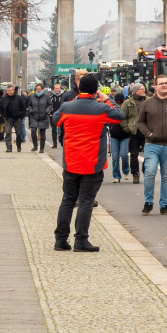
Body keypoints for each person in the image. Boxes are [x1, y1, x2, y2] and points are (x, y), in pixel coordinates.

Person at [52, 74, 124, 252]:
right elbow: (120, 116)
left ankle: (60, 240)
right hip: (92, 163)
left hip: (71, 162)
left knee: (68, 200)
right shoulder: (101, 108)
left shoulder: (67, 106)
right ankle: (81, 240)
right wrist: (107, 98)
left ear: (79, 88)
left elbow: (55, 120)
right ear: (95, 90)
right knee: (86, 201)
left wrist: (75, 100)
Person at [137, 76, 167, 215]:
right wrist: (148, 134)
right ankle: (148, 202)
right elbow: (140, 122)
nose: (164, 85)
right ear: (155, 86)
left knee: (166, 176)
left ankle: (164, 205)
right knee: (150, 172)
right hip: (152, 144)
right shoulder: (148, 103)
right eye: (161, 84)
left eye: (166, 83)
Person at [122, 83, 147, 184]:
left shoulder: (148, 101)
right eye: (141, 89)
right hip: (134, 131)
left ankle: (145, 169)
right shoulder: (128, 103)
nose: (143, 91)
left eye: (144, 89)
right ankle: (135, 174)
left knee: (149, 153)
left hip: (146, 131)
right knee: (134, 154)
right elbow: (122, 117)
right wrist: (127, 128)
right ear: (136, 91)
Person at [27, 83, 52, 153]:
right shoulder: (32, 96)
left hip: (43, 116)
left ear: (42, 89)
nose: (38, 90)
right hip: (34, 116)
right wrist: (31, 110)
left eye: (39, 89)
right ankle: (35, 146)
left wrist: (46, 111)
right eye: (37, 89)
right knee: (33, 131)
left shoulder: (46, 96)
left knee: (42, 132)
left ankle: (42, 148)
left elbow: (50, 105)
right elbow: (29, 105)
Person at [2, 86, 27, 153]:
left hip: (17, 118)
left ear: (13, 90)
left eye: (10, 90)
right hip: (8, 118)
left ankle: (18, 145)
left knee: (19, 133)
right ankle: (9, 147)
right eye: (8, 90)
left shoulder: (19, 98)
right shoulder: (4, 98)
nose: (9, 92)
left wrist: (21, 116)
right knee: (7, 132)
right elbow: (1, 107)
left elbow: (23, 107)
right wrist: (4, 115)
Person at [49, 83, 64, 149]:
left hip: (62, 114)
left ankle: (62, 142)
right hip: (53, 114)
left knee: (62, 129)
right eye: (55, 88)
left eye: (58, 88)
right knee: (53, 130)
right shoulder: (51, 96)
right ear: (54, 89)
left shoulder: (63, 96)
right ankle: (54, 144)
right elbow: (49, 105)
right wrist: (50, 113)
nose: (57, 90)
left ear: (60, 88)